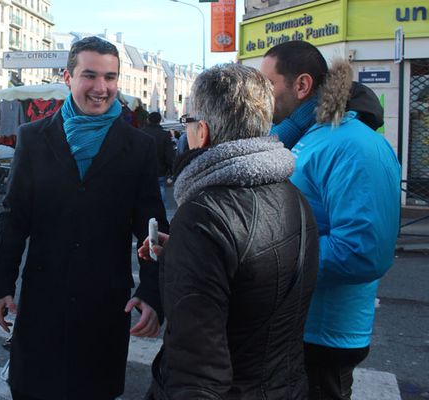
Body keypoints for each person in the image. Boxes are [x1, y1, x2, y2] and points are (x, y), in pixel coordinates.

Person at [0, 36, 168, 400]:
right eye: (90, 75)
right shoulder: (33, 137)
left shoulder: (139, 148)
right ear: (68, 77)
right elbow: (14, 218)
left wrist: (151, 291)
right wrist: (0, 285)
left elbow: (152, 230)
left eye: (110, 77)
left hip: (104, 304)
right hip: (42, 300)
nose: (101, 88)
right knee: (33, 389)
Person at [139, 64, 319, 399]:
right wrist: (182, 255)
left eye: (188, 122)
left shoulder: (203, 217)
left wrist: (191, 248)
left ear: (202, 132)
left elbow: (197, 372)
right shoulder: (292, 195)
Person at [259, 41, 401, 399]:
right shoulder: (311, 137)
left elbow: (362, 252)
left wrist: (264, 259)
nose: (261, 94)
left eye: (268, 83)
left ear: (302, 85)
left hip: (323, 338)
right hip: (296, 327)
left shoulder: (353, 144)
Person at [142, 112, 175, 204]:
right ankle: (160, 213)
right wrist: (172, 171)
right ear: (160, 121)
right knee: (161, 189)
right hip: (160, 169)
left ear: (148, 120)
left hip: (143, 169)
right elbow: (169, 154)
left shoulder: (141, 133)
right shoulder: (165, 135)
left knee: (144, 191)